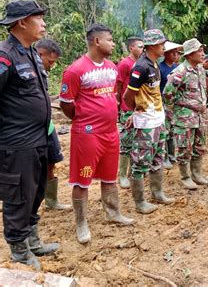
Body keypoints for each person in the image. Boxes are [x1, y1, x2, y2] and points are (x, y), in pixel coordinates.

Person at [59, 24, 134, 244]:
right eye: (110, 39)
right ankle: (81, 224)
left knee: (110, 176)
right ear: (97, 42)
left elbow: (115, 95)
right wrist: (84, 119)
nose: (113, 43)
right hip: (87, 135)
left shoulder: (112, 66)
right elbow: (66, 104)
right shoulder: (75, 70)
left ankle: (113, 212)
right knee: (82, 180)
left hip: (111, 132)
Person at [0, 0, 59, 269]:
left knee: (36, 192)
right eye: (39, 18)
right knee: (19, 195)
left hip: (39, 137)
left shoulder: (32, 53)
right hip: (17, 142)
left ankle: (33, 241)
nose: (44, 23)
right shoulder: (5, 55)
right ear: (22, 22)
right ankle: (20, 251)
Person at [123, 29, 175, 214]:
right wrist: (136, 111)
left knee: (157, 158)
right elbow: (128, 96)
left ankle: (157, 193)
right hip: (145, 123)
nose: (164, 47)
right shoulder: (141, 67)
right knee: (140, 162)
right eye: (161, 44)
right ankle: (140, 202)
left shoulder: (154, 64)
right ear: (152, 45)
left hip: (157, 120)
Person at [163, 38, 208, 189]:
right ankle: (185, 177)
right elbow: (167, 94)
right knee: (184, 148)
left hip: (200, 116)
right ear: (190, 54)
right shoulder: (180, 72)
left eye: (202, 50)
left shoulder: (200, 69)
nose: (203, 53)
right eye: (199, 51)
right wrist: (175, 112)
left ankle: (197, 174)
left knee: (200, 146)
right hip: (184, 117)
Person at [36, 38, 71, 210]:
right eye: (50, 61)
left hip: (47, 126)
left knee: (52, 160)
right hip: (27, 130)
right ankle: (11, 200)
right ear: (40, 54)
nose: (52, 65)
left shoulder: (42, 73)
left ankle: (51, 200)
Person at [116, 37, 144, 189]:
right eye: (140, 46)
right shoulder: (125, 63)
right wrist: (119, 103)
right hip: (128, 109)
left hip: (140, 107)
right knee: (126, 141)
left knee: (138, 141)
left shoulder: (143, 63)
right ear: (131, 48)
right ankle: (122, 176)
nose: (142, 49)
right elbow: (119, 84)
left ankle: (133, 172)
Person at [159, 41, 182, 169]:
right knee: (166, 131)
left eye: (177, 53)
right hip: (164, 104)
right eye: (173, 52)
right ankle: (166, 157)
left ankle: (173, 155)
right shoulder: (160, 68)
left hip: (176, 104)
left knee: (173, 131)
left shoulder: (178, 68)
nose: (175, 55)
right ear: (165, 54)